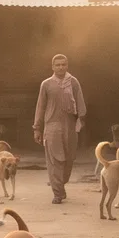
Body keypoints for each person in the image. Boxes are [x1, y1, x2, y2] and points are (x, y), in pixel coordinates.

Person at [32, 53, 86, 204]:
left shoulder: (73, 82)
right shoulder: (47, 84)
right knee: (55, 160)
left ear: (67, 66)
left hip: (69, 126)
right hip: (52, 126)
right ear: (52, 67)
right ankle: (57, 192)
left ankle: (61, 186)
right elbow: (40, 107)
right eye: (58, 65)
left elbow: (80, 102)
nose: (61, 67)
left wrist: (81, 120)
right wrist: (37, 128)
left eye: (63, 64)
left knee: (68, 159)